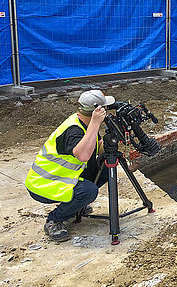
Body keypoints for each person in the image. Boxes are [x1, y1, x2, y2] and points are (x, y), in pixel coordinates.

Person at [25, 89, 115, 242]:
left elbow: (95, 149)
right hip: (43, 184)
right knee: (88, 191)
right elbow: (83, 155)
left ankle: (75, 205)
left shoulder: (84, 124)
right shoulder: (73, 130)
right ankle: (54, 220)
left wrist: (111, 141)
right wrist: (95, 123)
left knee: (107, 167)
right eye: (103, 108)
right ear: (95, 112)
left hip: (62, 178)